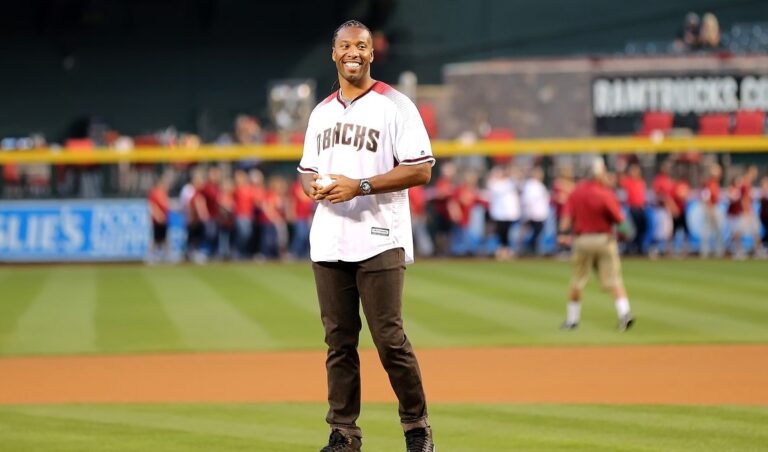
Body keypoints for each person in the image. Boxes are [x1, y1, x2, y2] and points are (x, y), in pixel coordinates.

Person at [297, 20, 435, 452]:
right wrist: (316, 188)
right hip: (330, 238)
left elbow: (422, 169)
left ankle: (417, 429)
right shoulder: (321, 112)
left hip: (380, 236)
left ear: (372, 54)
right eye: (345, 45)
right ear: (333, 53)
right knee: (338, 343)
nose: (352, 52)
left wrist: (360, 185)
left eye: (361, 45)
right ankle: (344, 434)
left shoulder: (396, 105)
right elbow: (305, 174)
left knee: (389, 340)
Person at [558, 158, 635, 332]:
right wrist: (629, 232)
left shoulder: (576, 192)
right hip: (603, 239)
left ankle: (572, 320)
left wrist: (562, 234)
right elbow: (619, 219)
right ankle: (625, 314)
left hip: (582, 240)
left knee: (577, 280)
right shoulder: (605, 193)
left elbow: (566, 216)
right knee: (614, 279)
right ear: (599, 174)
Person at [619, 163, 647, 255]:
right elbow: (620, 180)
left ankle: (639, 247)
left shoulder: (641, 182)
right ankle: (630, 247)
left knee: (642, 228)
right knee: (632, 230)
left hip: (641, 208)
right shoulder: (628, 181)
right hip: (632, 208)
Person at [700, 163, 725, 258]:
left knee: (718, 230)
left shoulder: (715, 183)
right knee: (707, 231)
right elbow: (705, 197)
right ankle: (705, 252)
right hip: (711, 208)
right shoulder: (710, 183)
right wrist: (709, 208)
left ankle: (718, 252)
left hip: (714, 207)